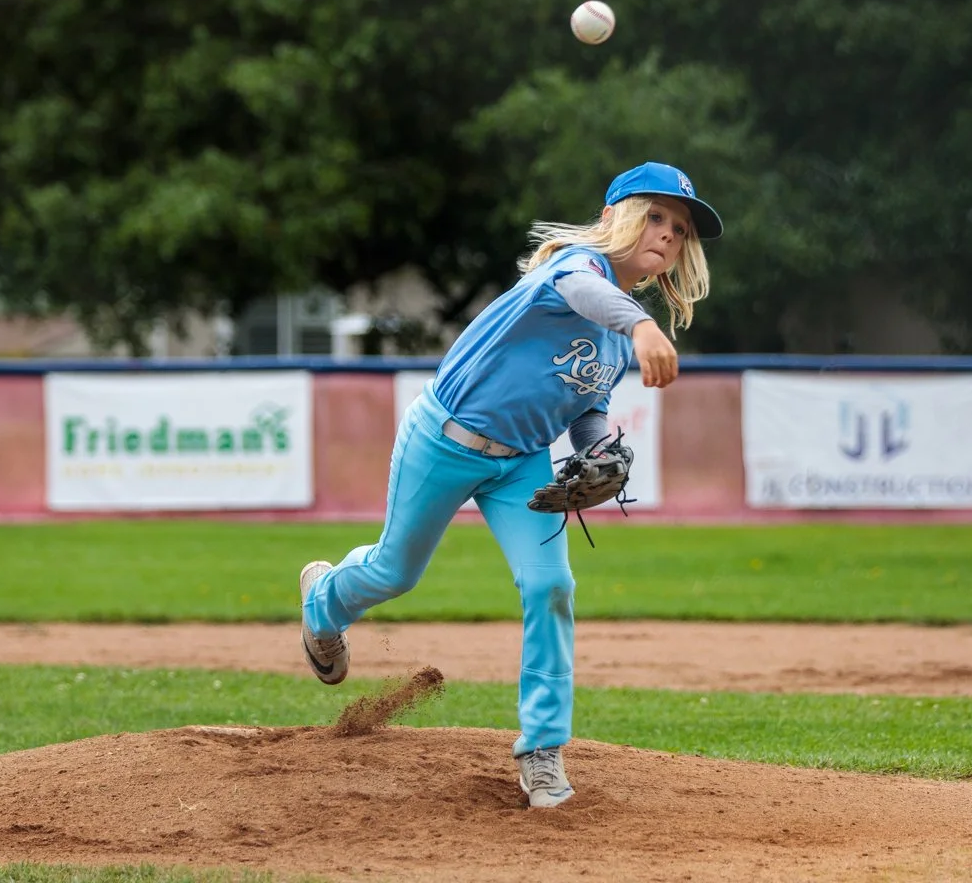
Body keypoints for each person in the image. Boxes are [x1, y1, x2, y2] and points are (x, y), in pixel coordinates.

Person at [298, 161, 721, 808]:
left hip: (520, 461)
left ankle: (542, 753)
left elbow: (587, 411)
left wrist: (603, 452)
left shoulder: (613, 338)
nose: (668, 233)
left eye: (680, 228)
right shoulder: (575, 269)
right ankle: (324, 601)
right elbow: (586, 293)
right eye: (656, 215)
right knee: (394, 572)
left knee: (551, 585)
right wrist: (640, 325)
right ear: (614, 217)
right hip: (444, 439)